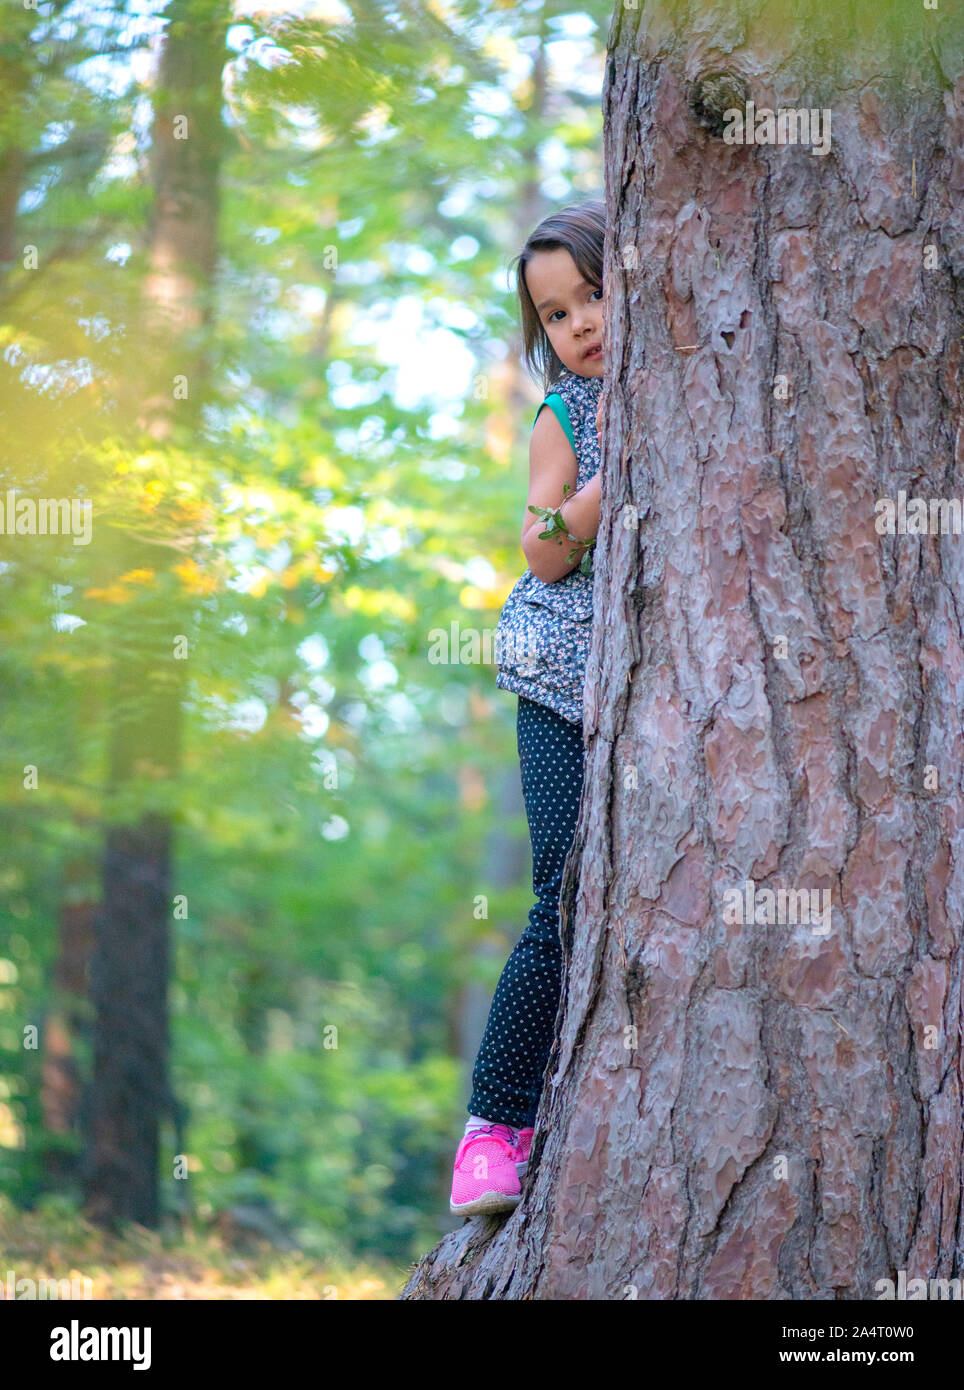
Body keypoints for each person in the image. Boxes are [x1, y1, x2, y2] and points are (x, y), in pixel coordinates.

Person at [450, 199, 607, 1216]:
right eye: (555, 315)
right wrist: (613, 479)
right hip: (558, 674)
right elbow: (545, 544)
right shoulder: (571, 414)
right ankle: (491, 1126)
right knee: (560, 886)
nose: (580, 324)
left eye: (594, 295)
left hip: (637, 688)